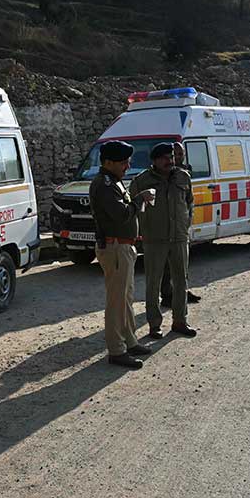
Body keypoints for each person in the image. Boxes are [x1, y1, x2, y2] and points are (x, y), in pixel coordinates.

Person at [88, 141, 156, 369]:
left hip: (122, 247)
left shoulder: (113, 181)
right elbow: (121, 214)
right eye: (123, 162)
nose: (128, 166)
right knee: (116, 301)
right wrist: (140, 198)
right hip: (114, 247)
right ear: (109, 162)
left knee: (125, 298)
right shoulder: (105, 184)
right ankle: (116, 350)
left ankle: (129, 340)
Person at [129, 143, 198, 339]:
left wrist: (185, 226)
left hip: (178, 238)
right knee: (153, 283)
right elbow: (132, 208)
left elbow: (189, 203)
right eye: (164, 158)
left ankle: (180, 321)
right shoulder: (142, 181)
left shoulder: (183, 177)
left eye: (171, 157)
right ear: (154, 161)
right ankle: (154, 325)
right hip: (154, 239)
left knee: (181, 281)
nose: (169, 161)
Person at [161, 141, 202, 307]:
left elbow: (189, 201)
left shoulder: (184, 173)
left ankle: (182, 291)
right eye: (175, 154)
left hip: (181, 226)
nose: (177, 157)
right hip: (166, 228)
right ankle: (167, 294)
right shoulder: (163, 175)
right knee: (167, 265)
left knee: (182, 263)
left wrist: (187, 221)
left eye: (180, 154)